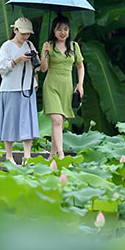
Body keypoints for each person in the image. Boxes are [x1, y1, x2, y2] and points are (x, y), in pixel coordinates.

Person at [40, 14, 85, 159]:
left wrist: (80, 83)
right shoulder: (48, 45)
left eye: (65, 29)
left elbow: (80, 66)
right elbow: (43, 69)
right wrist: (45, 54)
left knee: (59, 122)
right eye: (59, 29)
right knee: (57, 120)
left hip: (67, 86)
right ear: (53, 30)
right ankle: (61, 154)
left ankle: (52, 155)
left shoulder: (74, 46)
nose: (63, 32)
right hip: (51, 85)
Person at [0, 17, 40, 165]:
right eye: (23, 33)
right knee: (10, 122)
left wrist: (38, 58)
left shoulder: (30, 44)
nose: (25, 37)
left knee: (27, 121)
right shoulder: (6, 46)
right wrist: (18, 59)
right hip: (10, 89)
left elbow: (38, 68)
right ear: (15, 30)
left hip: (27, 89)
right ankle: (9, 155)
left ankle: (27, 155)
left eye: (28, 34)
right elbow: (1, 67)